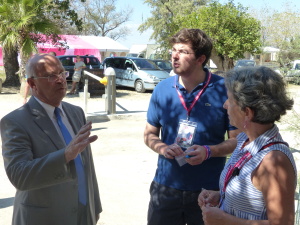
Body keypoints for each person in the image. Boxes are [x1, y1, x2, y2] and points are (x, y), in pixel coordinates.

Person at [144, 28, 240, 225]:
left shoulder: (224, 90)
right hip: (165, 187)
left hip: (208, 191)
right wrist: (163, 148)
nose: (174, 56)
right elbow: (149, 134)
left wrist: (209, 151)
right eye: (173, 50)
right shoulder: (162, 89)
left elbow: (237, 140)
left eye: (183, 51)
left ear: (200, 59)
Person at [1, 53, 102, 225]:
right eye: (50, 76)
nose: (60, 80)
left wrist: (94, 207)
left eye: (62, 73)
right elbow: (19, 176)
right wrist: (65, 155)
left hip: (83, 213)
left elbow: (87, 166)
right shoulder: (14, 122)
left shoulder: (76, 112)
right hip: (45, 218)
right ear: (32, 84)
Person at [198, 66, 297, 225]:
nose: (225, 105)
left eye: (230, 100)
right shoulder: (245, 140)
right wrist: (222, 195)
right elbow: (254, 196)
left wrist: (224, 220)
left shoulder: (274, 161)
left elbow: (283, 223)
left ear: (247, 113)